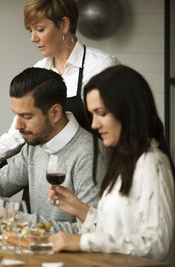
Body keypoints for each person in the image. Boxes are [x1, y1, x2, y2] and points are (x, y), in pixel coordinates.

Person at [0, 0, 119, 184]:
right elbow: (16, 135)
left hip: (89, 177)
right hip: (44, 180)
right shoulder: (40, 70)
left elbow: (119, 131)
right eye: (31, 31)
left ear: (64, 24)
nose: (33, 38)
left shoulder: (100, 67)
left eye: (40, 29)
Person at [0, 67, 107, 233]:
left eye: (27, 116)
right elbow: (1, 187)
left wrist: (13, 219)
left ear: (55, 112)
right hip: (36, 251)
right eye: (16, 115)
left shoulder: (90, 155)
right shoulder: (36, 144)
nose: (18, 126)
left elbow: (88, 232)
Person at [47, 65, 175, 265]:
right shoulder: (126, 161)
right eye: (92, 114)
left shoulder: (152, 162)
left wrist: (83, 242)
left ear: (128, 110)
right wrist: (81, 210)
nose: (95, 124)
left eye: (102, 113)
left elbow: (157, 243)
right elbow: (120, 230)